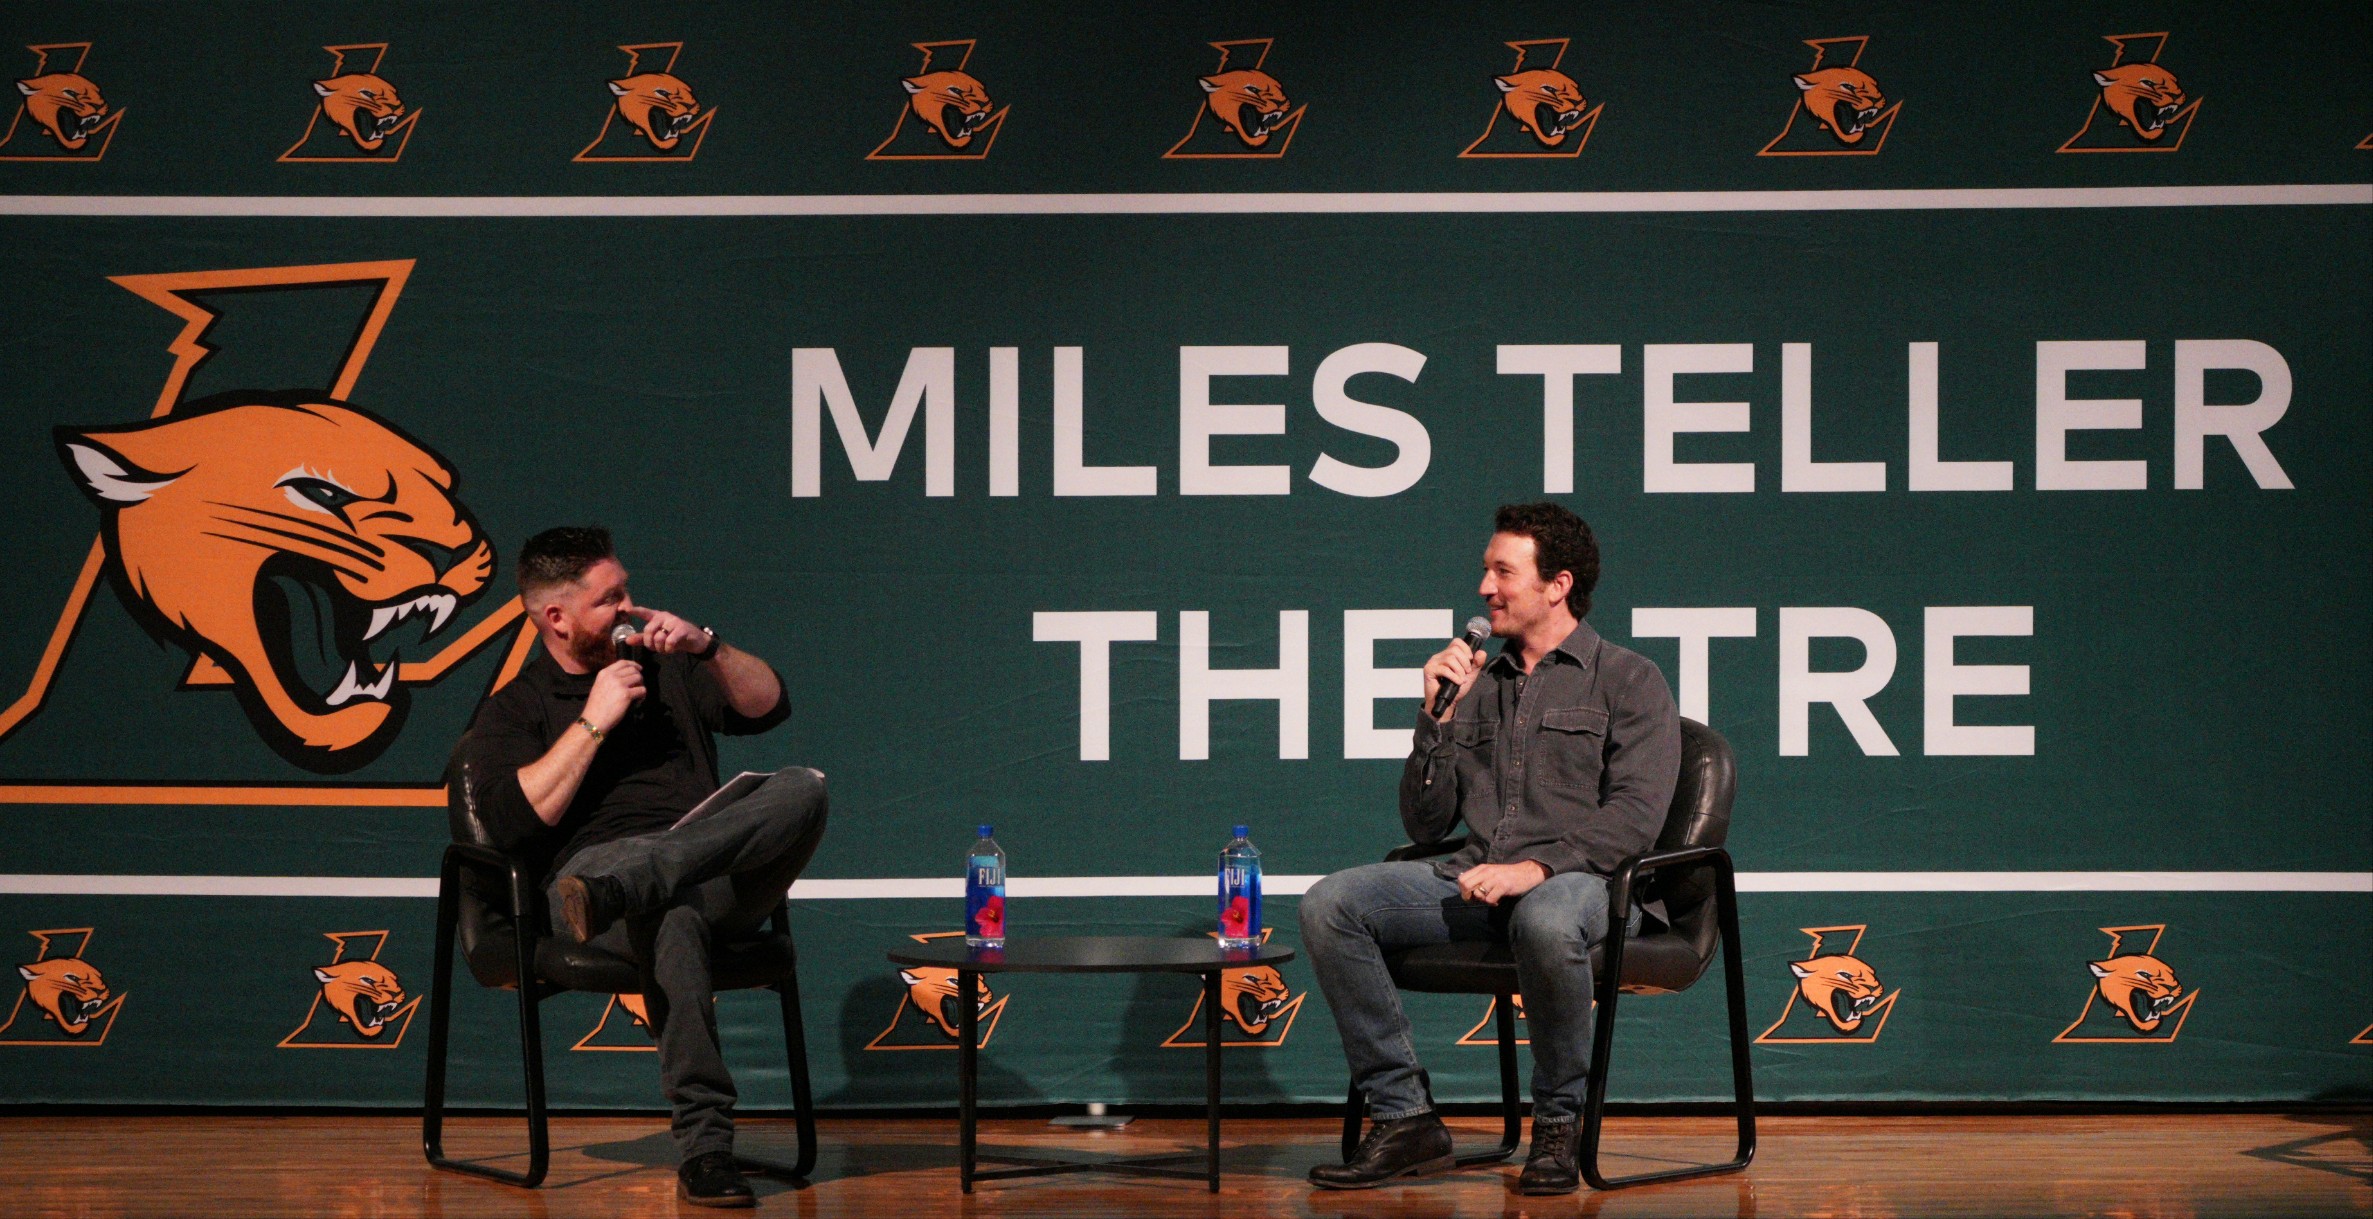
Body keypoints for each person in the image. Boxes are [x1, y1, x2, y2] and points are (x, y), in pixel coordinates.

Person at [1300, 502, 1680, 1195]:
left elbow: (1636, 816)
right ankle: (1405, 1115)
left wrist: (1533, 868)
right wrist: (1432, 720)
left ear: (1556, 584)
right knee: (1332, 904)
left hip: (1588, 883)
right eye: (1485, 570)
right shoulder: (1474, 687)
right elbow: (1424, 824)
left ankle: (1559, 1124)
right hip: (1474, 875)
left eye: (1502, 570)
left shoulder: (1628, 679)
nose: (1484, 587)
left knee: (1544, 915)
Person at [454, 526, 826, 1209]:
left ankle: (639, 876)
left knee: (804, 785)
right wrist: (593, 721)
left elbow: (769, 704)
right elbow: (509, 822)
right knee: (671, 911)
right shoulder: (517, 707)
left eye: (626, 590)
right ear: (555, 618)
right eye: (609, 598)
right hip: (587, 893)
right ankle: (707, 1148)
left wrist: (705, 647)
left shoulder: (668, 667)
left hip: (681, 870)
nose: (629, 607)